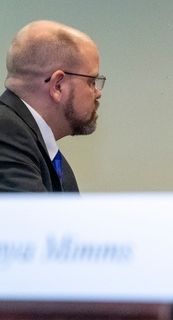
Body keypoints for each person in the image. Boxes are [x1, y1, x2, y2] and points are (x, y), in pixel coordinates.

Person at [0, 20, 104, 192]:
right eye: (92, 81)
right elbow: (31, 218)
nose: (97, 93)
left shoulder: (44, 152)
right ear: (57, 85)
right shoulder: (6, 132)